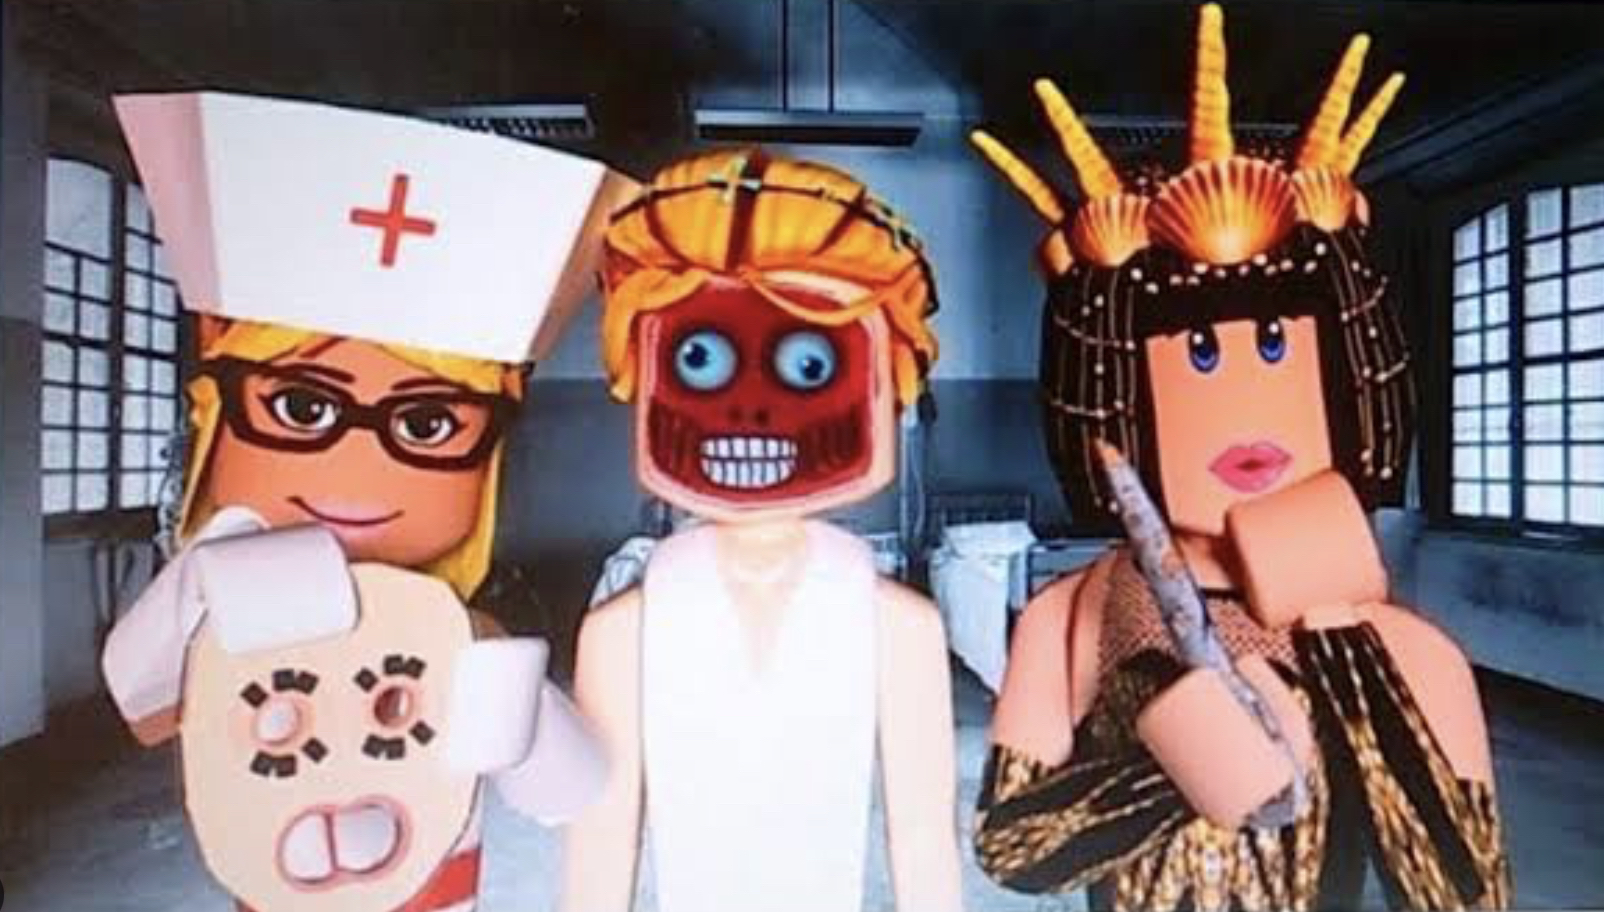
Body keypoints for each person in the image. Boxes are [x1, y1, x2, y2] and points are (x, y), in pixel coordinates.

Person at [967, 6, 1512, 910]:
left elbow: (1459, 896)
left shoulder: (1405, 648)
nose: (1245, 406)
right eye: (1196, 354)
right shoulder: (1077, 614)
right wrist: (1169, 771)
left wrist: (1344, 665)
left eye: (1275, 345)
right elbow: (1012, 849)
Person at [100, 91, 631, 912]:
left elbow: (566, 793)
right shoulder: (219, 606)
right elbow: (143, 703)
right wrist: (217, 563)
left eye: (425, 425)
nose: (358, 466)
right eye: (301, 407)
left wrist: (505, 685)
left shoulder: (455, 634)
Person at [560, 149, 964, 912]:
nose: (748, 411)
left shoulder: (898, 625)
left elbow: (920, 835)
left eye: (811, 365)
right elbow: (602, 837)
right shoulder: (621, 632)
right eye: (698, 359)